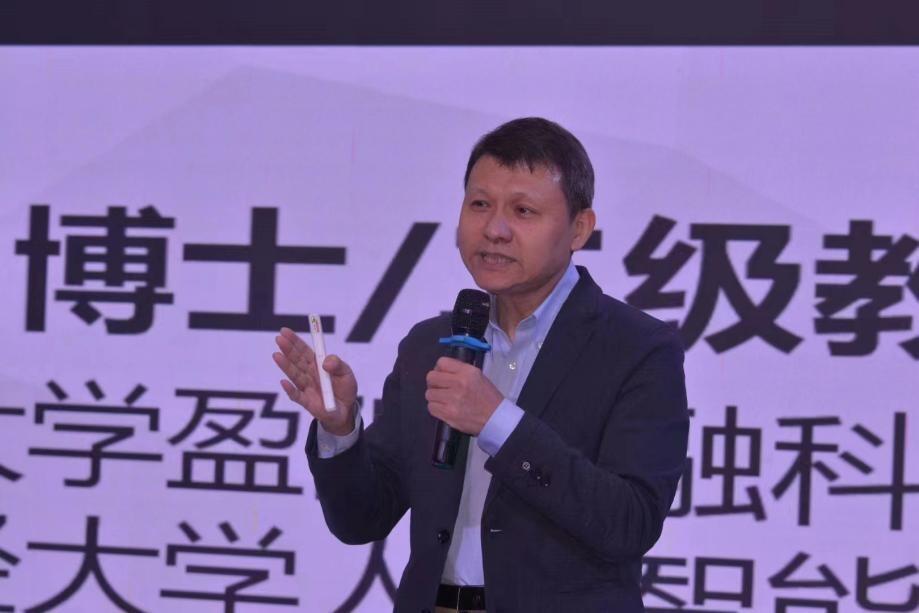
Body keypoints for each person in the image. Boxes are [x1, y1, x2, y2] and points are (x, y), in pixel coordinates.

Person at [272, 117, 689, 612]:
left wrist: (498, 422)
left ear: (579, 228)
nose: (494, 229)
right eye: (480, 205)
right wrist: (340, 429)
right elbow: (361, 519)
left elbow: (630, 523)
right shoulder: (430, 345)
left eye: (523, 211)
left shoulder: (638, 348)